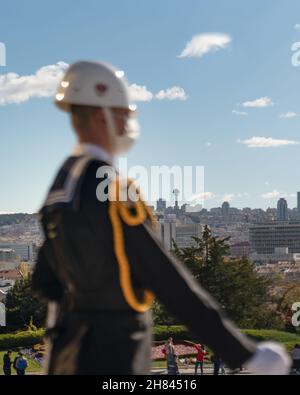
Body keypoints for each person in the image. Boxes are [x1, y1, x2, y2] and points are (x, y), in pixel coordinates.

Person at [32, 60, 291, 375]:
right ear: (102, 115)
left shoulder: (60, 187)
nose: (128, 121)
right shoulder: (110, 186)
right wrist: (243, 354)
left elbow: (46, 282)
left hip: (70, 354)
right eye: (123, 113)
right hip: (115, 354)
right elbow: (166, 280)